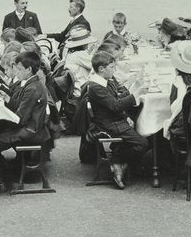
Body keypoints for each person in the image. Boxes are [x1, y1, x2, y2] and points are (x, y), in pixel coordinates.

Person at [84, 50, 148, 188]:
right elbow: (115, 105)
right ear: (101, 69)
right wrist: (136, 93)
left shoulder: (107, 81)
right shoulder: (96, 87)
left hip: (114, 119)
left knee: (141, 129)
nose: (115, 70)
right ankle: (118, 159)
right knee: (142, 143)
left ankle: (121, 156)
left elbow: (116, 99)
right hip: (108, 124)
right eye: (112, 67)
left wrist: (126, 116)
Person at [0, 50, 50, 168]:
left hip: (30, 130)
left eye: (19, 69)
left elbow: (20, 118)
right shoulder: (28, 83)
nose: (16, 72)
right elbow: (19, 105)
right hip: (28, 125)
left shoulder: (32, 88)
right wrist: (7, 97)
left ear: (28, 70)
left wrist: (2, 120)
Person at [62, 27, 97, 94]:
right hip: (82, 89)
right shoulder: (80, 55)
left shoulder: (70, 53)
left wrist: (89, 52)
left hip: (75, 88)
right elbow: (96, 64)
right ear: (84, 44)